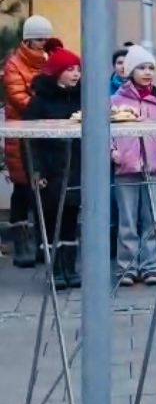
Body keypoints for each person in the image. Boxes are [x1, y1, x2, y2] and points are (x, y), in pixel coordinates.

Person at [111, 45, 156, 286]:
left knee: (152, 220)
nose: (147, 72)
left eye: (151, 67)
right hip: (126, 169)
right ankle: (127, 267)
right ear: (130, 70)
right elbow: (107, 132)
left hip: (154, 168)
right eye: (141, 67)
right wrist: (114, 153)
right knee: (127, 221)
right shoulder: (115, 100)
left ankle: (151, 266)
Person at [24, 44, 82, 289]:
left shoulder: (82, 97)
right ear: (57, 72)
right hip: (50, 169)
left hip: (75, 167)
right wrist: (35, 171)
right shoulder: (39, 102)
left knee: (70, 218)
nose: (76, 74)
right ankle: (54, 270)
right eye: (70, 69)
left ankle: (70, 268)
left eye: (78, 69)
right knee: (49, 220)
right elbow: (29, 141)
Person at [3, 15, 52, 267]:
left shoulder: (49, 60)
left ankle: (44, 242)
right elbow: (17, 96)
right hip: (21, 133)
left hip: (46, 132)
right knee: (23, 187)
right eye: (38, 39)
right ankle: (21, 240)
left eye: (46, 38)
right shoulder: (14, 64)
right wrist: (46, 103)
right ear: (28, 40)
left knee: (44, 187)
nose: (43, 43)